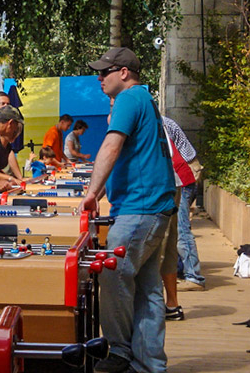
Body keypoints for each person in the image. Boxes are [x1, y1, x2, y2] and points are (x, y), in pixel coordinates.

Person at [81, 47, 176, 373]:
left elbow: (111, 145)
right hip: (153, 206)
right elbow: (129, 154)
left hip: (140, 207)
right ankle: (150, 365)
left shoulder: (128, 99)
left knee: (112, 272)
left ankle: (120, 352)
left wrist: (92, 193)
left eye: (104, 72)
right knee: (147, 289)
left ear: (123, 73)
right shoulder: (143, 100)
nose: (99, 78)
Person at [162, 116, 206, 292]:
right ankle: (182, 271)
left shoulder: (159, 123)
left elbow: (177, 155)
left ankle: (194, 277)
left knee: (181, 229)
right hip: (182, 176)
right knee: (175, 229)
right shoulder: (164, 121)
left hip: (181, 178)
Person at [0, 92, 25, 182]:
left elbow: (9, 153)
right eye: (3, 104)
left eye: (8, 104)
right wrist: (10, 178)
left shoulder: (5, 137)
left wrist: (20, 178)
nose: (6, 106)